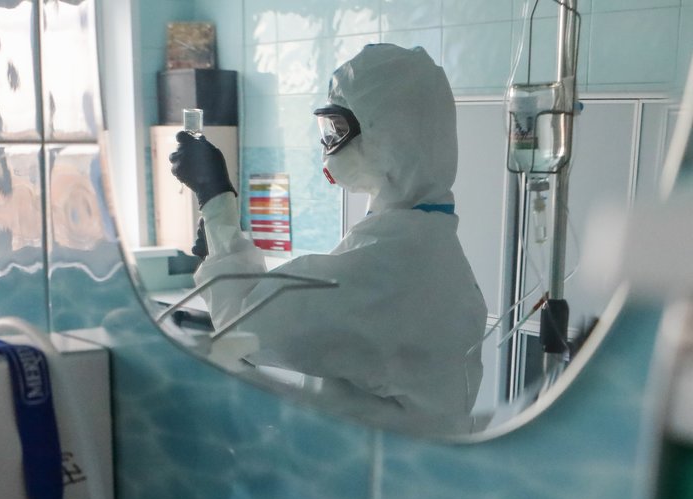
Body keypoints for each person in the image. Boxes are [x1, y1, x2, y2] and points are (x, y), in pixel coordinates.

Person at [169, 44, 488, 435]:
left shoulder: (396, 261)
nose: (328, 143)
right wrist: (221, 243)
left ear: (390, 136)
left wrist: (215, 197)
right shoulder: (420, 239)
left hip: (383, 466)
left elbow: (245, 327)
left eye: (338, 129)